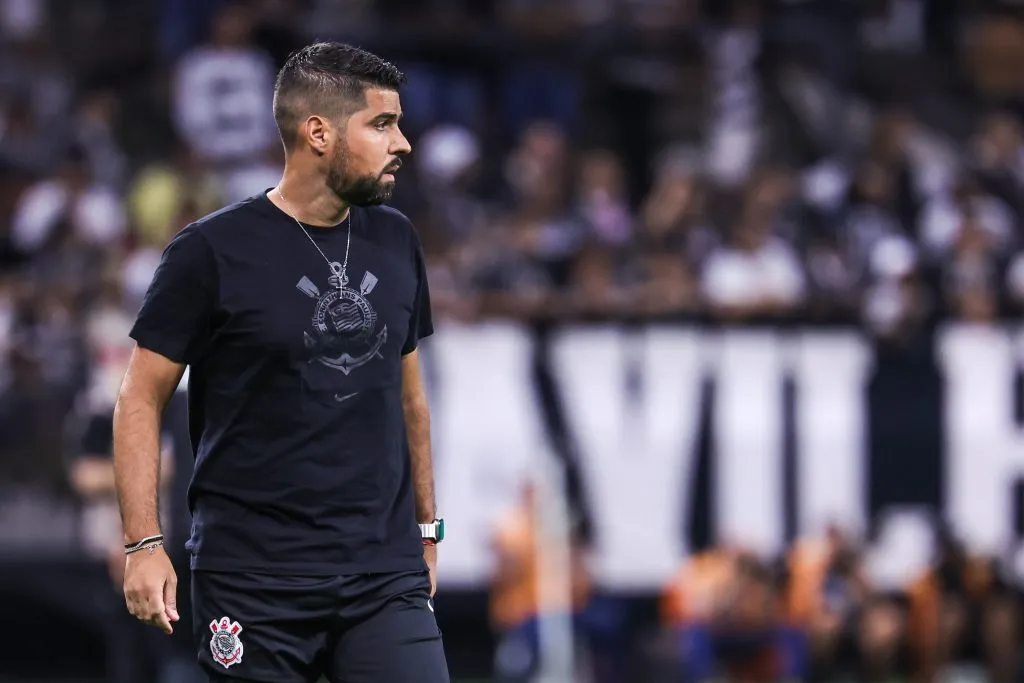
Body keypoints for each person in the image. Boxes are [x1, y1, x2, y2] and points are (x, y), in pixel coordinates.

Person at [112, 42, 449, 683]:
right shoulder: (210, 251)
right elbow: (139, 398)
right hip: (252, 579)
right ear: (318, 132)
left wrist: (427, 530)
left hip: (382, 574)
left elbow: (410, 398)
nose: (402, 143)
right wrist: (143, 544)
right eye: (381, 124)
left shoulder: (398, 239)